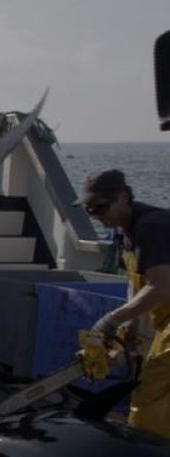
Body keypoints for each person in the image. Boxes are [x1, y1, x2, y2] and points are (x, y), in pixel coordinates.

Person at [77, 169, 170, 437]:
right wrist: (125, 336)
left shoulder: (152, 226)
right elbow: (137, 287)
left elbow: (161, 287)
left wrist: (111, 320)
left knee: (150, 396)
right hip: (164, 324)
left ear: (123, 197)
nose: (97, 215)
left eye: (101, 207)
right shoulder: (126, 234)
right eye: (89, 210)